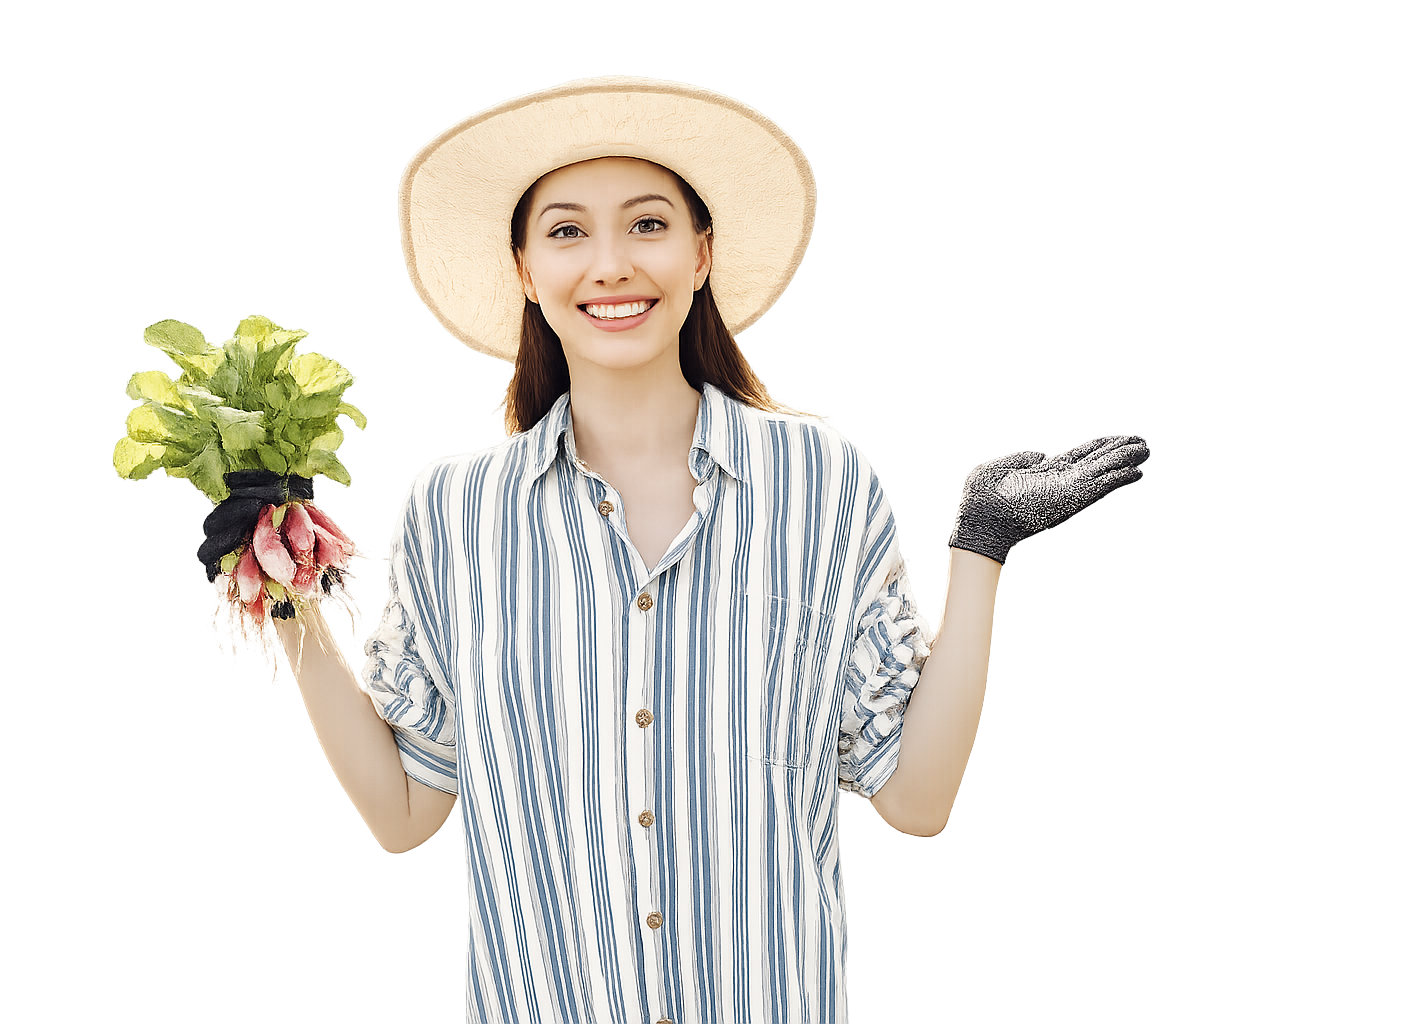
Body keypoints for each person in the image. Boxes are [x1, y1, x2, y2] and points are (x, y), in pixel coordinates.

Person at [291, 78, 1149, 1024]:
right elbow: (405, 812)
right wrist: (278, 591)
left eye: (648, 224)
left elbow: (914, 795)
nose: (611, 264)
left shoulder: (820, 480)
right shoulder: (455, 513)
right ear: (526, 271)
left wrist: (982, 543)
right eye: (568, 231)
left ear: (702, 254)